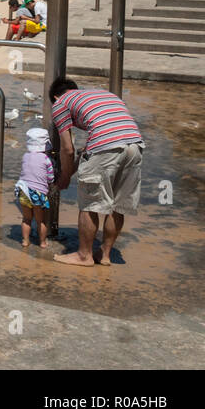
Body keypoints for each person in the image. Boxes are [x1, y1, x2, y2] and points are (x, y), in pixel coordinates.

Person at [50, 76, 145, 266]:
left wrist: (65, 178)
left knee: (89, 204)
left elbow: (67, 149)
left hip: (106, 145)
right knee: (117, 205)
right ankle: (105, 254)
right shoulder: (102, 94)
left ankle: (84, 256)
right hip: (134, 145)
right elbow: (89, 150)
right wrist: (71, 171)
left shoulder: (60, 103)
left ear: (54, 96)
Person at [15, 127, 55, 248]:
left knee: (26, 218)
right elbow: (50, 177)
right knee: (40, 220)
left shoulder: (25, 156)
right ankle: (42, 242)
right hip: (38, 193)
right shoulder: (46, 159)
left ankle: (25, 241)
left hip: (23, 190)